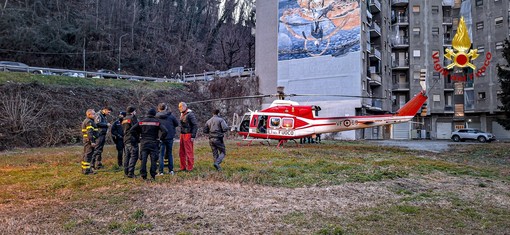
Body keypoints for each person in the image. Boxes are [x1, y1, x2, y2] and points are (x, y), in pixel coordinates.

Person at [130, 108, 168, 180]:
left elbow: (132, 130)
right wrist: (161, 139)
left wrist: (138, 138)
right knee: (153, 160)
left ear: (147, 114)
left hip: (144, 142)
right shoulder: (157, 122)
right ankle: (153, 175)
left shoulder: (141, 122)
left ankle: (143, 175)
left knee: (143, 160)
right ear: (154, 114)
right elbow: (165, 131)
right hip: (154, 142)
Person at [156, 103, 179, 175]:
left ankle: (161, 171)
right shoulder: (171, 116)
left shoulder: (156, 117)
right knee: (169, 153)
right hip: (170, 137)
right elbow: (177, 124)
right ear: (166, 108)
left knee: (161, 154)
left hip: (160, 137)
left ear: (159, 109)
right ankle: (171, 170)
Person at [178, 102, 198, 172]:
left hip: (188, 134)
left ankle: (190, 168)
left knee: (189, 151)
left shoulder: (190, 114)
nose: (179, 108)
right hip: (182, 134)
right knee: (181, 152)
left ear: (184, 106)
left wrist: (193, 136)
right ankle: (182, 167)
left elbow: (195, 125)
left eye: (180, 106)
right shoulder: (182, 114)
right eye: (179, 107)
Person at [122, 106, 139, 178]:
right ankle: (131, 172)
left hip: (126, 139)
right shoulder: (132, 118)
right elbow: (135, 129)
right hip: (132, 139)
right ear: (133, 111)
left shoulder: (124, 119)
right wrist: (137, 137)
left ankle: (126, 171)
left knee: (127, 156)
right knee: (134, 156)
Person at [81, 109, 98, 175]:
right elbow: (90, 133)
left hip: (87, 140)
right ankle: (87, 171)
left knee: (86, 155)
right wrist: (92, 141)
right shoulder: (89, 122)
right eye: (93, 114)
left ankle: (85, 169)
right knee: (88, 156)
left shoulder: (88, 121)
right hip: (89, 141)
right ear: (89, 114)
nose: (95, 115)